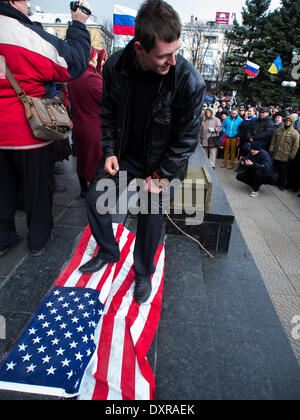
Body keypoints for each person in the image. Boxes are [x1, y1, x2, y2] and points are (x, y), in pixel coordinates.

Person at [79, 0, 206, 304]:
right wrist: (109, 150)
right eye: (164, 55)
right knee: (96, 199)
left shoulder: (189, 81)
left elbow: (186, 140)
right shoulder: (115, 67)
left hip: (162, 162)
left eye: (176, 51)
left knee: (151, 216)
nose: (173, 61)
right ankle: (109, 252)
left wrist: (160, 176)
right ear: (139, 48)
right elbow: (108, 113)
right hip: (124, 154)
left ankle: (143, 272)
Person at [0, 0, 91, 257]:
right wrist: (77, 24)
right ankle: (38, 239)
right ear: (12, 2)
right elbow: (72, 63)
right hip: (27, 130)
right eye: (25, 0)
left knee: (3, 187)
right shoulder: (21, 34)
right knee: (37, 188)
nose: (28, 4)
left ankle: (3, 236)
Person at [68, 47, 106, 198]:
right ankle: (95, 191)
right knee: (95, 160)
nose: (98, 60)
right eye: (96, 57)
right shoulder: (91, 78)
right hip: (94, 126)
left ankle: (84, 189)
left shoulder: (74, 76)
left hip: (79, 124)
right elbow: (108, 100)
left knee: (82, 159)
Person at [269, 114, 300, 191]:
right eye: (286, 120)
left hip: (285, 155)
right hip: (276, 153)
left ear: (292, 122)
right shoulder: (279, 130)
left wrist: (292, 155)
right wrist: (271, 149)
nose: (287, 122)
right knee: (275, 168)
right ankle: (274, 181)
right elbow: (273, 140)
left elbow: (295, 146)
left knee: (283, 171)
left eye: (290, 121)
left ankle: (281, 184)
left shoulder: (295, 133)